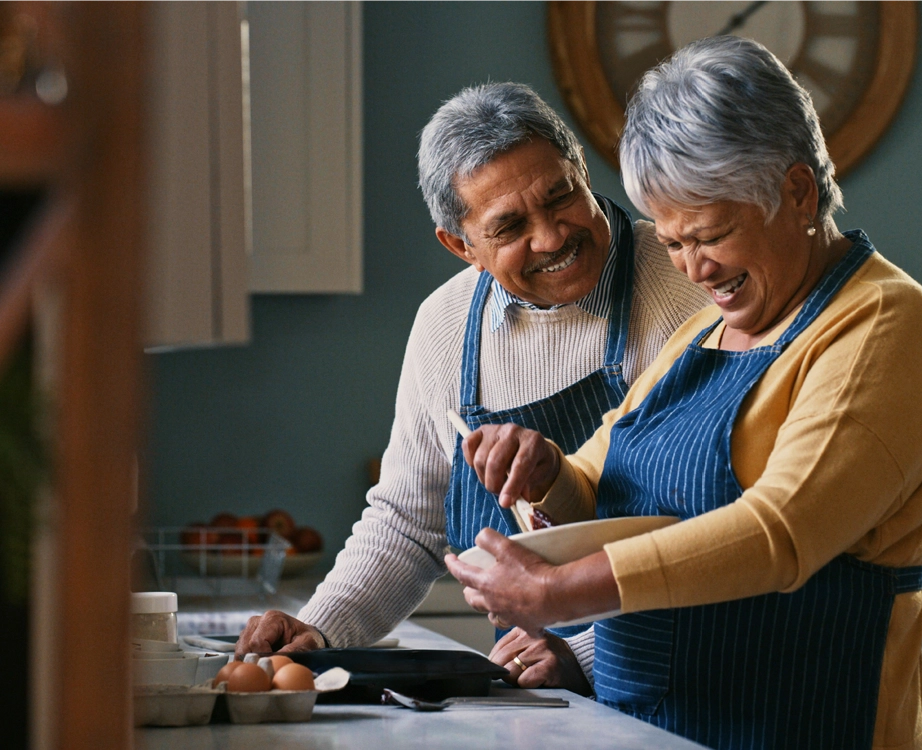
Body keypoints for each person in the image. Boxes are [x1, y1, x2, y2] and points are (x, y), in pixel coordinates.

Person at [445, 37, 922, 750]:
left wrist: (564, 595)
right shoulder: (701, 334)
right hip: (651, 731)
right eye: (671, 242)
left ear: (798, 192)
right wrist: (546, 472)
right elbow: (596, 482)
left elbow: (781, 532)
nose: (693, 268)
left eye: (711, 234)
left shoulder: (881, 322)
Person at [234, 82, 709, 689]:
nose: (551, 237)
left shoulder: (689, 284)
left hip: (688, 673)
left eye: (560, 196)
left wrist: (584, 654)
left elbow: (722, 524)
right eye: (509, 227)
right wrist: (319, 632)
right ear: (460, 246)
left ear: (582, 170)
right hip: (531, 694)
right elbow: (409, 524)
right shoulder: (446, 326)